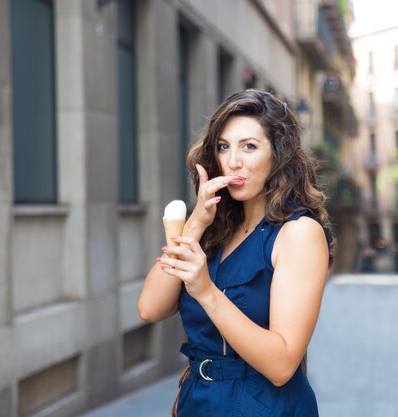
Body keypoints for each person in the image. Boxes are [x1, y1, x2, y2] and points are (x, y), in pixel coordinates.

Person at [138, 89, 335, 416]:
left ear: (278, 154)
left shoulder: (298, 233)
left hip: (263, 406)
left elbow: (283, 364)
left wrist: (206, 291)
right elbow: (149, 308)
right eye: (223, 147)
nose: (233, 161)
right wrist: (196, 224)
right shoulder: (215, 228)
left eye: (250, 146)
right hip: (198, 403)